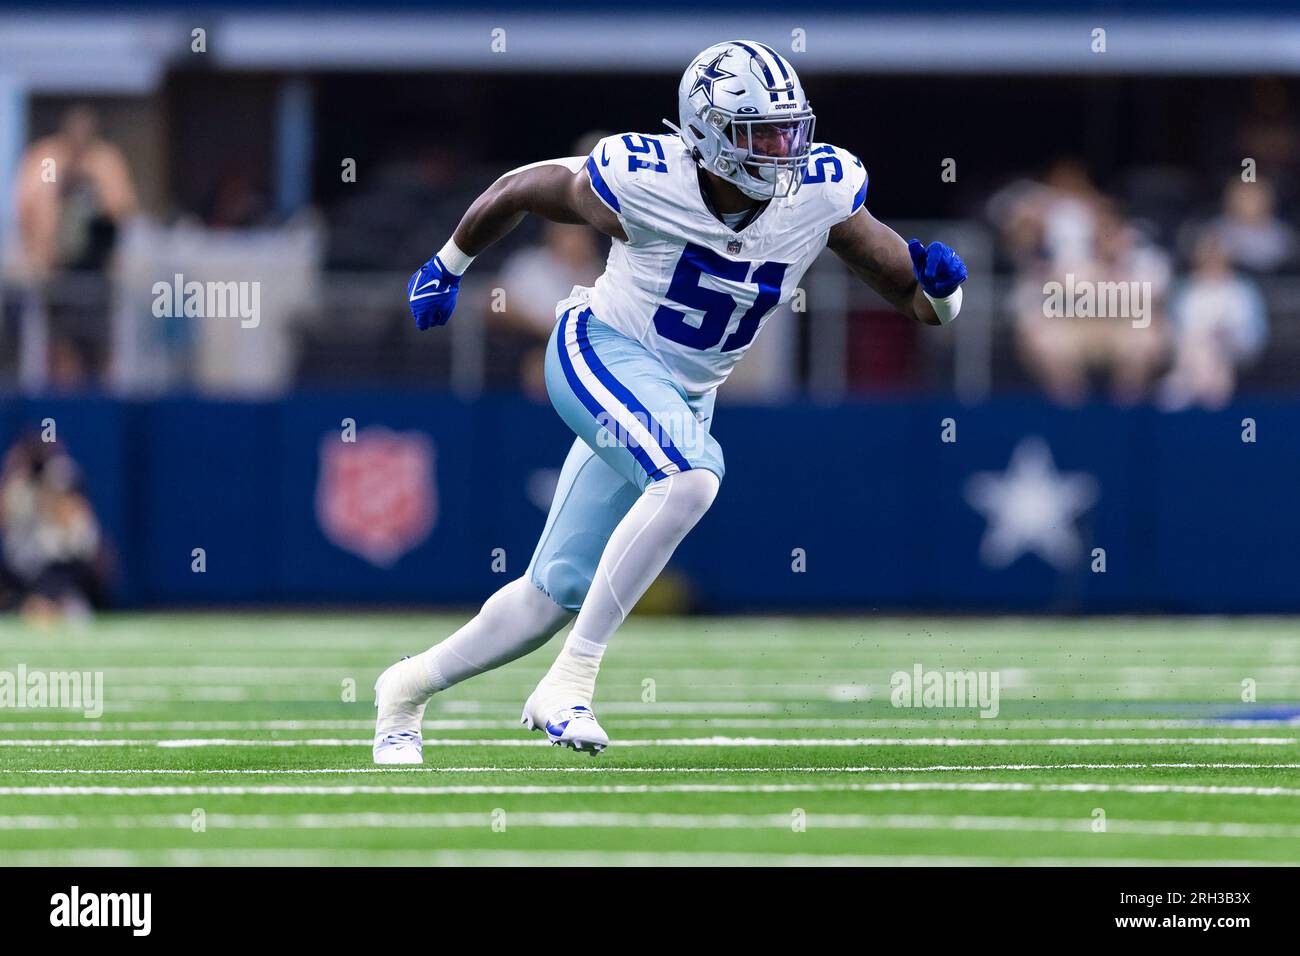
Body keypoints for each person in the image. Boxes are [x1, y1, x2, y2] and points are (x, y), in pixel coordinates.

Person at [374, 40, 968, 763]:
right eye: (760, 133)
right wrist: (449, 262)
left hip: (684, 391)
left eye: (789, 128)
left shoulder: (821, 189)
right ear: (708, 133)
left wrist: (945, 290)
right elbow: (524, 186)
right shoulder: (645, 177)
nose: (783, 149)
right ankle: (569, 684)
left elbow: (918, 303)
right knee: (690, 477)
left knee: (551, 593)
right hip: (599, 349)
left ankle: (404, 689)